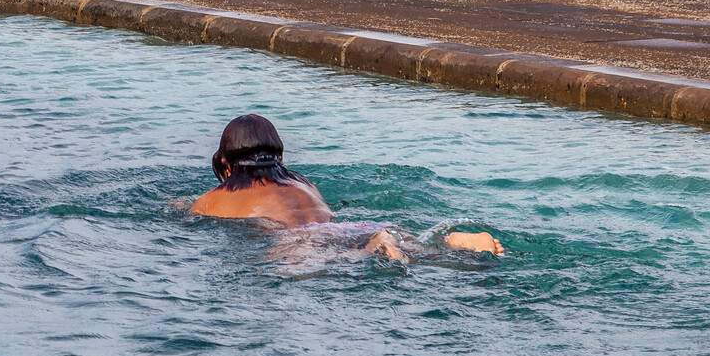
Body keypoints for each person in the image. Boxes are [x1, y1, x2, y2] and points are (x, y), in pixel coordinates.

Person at [190, 114, 502, 262]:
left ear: (225, 161)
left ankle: (375, 247)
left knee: (291, 269)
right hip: (355, 227)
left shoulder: (214, 200)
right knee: (420, 250)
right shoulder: (302, 184)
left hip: (299, 242)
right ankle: (453, 241)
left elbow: (187, 215)